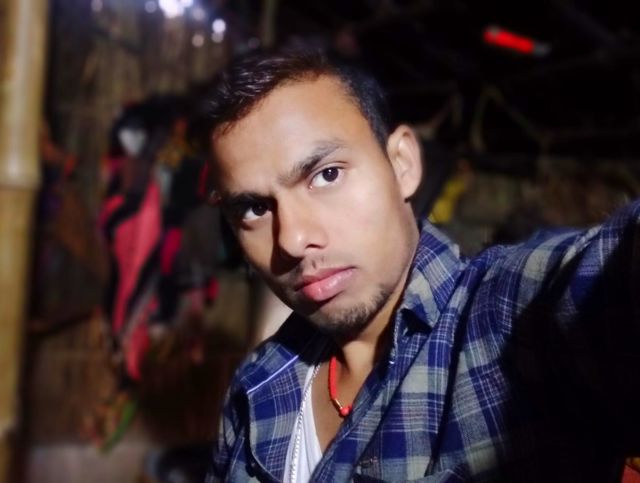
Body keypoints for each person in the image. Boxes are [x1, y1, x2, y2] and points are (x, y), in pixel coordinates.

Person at [204, 49, 640, 482]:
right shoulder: (256, 389)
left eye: (327, 175)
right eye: (255, 208)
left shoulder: (505, 324)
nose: (293, 240)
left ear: (403, 165)